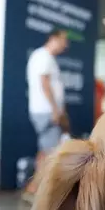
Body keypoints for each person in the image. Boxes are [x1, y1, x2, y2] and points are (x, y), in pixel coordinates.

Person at [24, 29, 69, 199]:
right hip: (46, 111)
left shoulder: (47, 58)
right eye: (63, 40)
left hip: (47, 110)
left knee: (45, 151)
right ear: (53, 38)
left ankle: (36, 187)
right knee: (50, 152)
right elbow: (44, 84)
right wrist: (55, 109)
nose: (65, 45)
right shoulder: (43, 56)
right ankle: (35, 189)